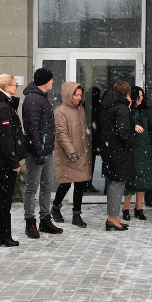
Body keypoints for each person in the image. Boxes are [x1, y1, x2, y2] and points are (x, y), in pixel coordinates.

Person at [22, 68, 62, 238]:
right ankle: (30, 222)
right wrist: (38, 152)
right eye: (51, 79)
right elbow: (31, 128)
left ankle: (45, 219)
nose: (53, 82)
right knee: (32, 187)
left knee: (47, 186)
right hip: (36, 152)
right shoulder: (32, 99)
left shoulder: (41, 98)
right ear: (45, 81)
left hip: (46, 150)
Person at [0, 74, 25, 247]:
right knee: (4, 199)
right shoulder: (4, 108)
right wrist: (13, 161)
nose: (16, 87)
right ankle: (3, 233)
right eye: (14, 84)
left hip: (5, 160)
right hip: (6, 162)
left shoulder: (5, 105)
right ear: (6, 87)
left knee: (3, 198)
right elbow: (6, 138)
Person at [52, 82, 92, 228]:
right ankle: (55, 208)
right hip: (67, 154)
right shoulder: (60, 112)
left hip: (80, 153)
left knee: (80, 184)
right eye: (76, 95)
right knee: (66, 183)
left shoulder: (80, 110)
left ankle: (76, 215)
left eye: (80, 95)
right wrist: (71, 152)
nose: (79, 98)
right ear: (69, 95)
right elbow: (61, 134)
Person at [101, 81, 136, 231]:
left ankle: (114, 216)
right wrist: (131, 142)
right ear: (127, 94)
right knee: (117, 184)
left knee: (113, 183)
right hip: (119, 152)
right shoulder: (121, 108)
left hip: (110, 150)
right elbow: (123, 133)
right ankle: (111, 218)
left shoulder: (108, 106)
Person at [122, 86, 152, 221]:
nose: (142, 98)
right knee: (131, 182)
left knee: (143, 181)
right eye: (139, 95)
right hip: (133, 151)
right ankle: (125, 209)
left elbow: (144, 128)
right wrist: (132, 127)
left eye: (143, 96)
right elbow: (122, 129)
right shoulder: (125, 111)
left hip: (144, 150)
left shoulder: (142, 111)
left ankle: (138, 209)